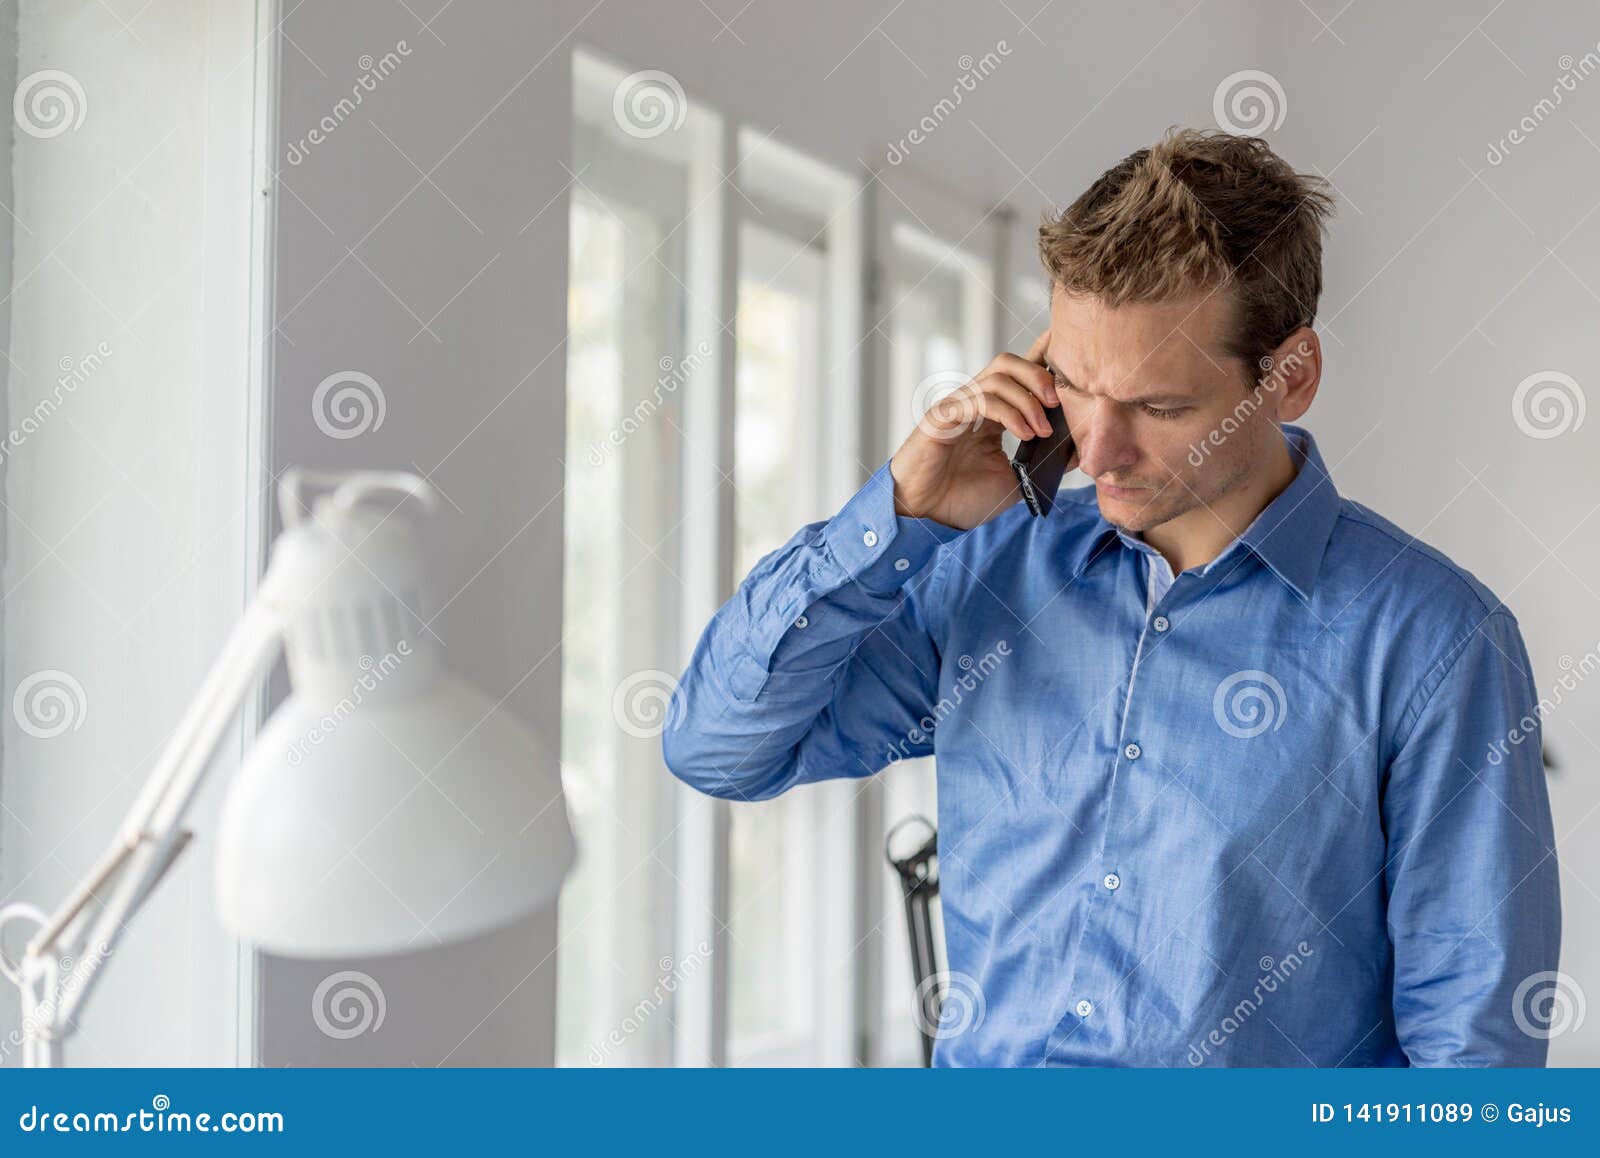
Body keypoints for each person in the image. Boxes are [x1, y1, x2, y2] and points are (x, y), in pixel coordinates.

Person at [662, 128, 1560, 1067]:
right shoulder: (986, 569)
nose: (1094, 452)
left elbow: (1474, 1058)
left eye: (1159, 408)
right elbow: (718, 748)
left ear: (1288, 378)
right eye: (1076, 387)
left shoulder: (1433, 641)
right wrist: (899, 512)